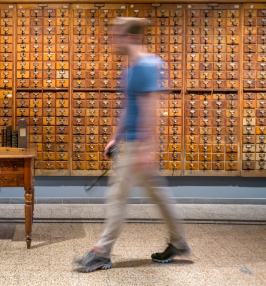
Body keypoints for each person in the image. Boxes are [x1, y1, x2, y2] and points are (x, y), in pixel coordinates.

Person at [74, 17, 191, 273]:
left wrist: (148, 148)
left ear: (129, 37)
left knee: (116, 197)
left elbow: (150, 107)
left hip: (139, 145)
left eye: (116, 35)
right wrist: (116, 137)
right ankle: (179, 242)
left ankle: (102, 253)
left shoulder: (148, 65)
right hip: (131, 142)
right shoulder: (129, 69)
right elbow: (129, 107)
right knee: (158, 195)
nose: (112, 40)